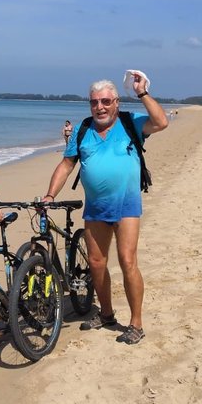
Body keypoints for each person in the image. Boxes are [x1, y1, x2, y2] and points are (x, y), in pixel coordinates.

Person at [42, 74, 168, 345]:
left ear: (116, 102)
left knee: (127, 261)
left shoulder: (129, 122)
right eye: (95, 102)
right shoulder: (84, 129)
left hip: (126, 206)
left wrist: (143, 93)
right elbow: (66, 165)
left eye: (106, 101)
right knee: (97, 264)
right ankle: (107, 314)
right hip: (95, 208)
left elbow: (161, 122)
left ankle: (136, 323)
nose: (100, 107)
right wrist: (51, 194)